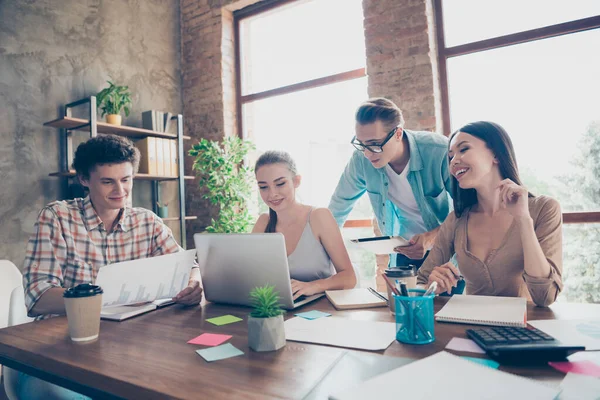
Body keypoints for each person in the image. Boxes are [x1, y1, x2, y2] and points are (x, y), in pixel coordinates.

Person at [20, 134, 203, 399]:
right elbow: (38, 297)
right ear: (84, 180)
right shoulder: (57, 217)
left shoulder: (147, 222)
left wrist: (194, 282)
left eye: (126, 180)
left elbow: (188, 265)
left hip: (128, 346)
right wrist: (106, 298)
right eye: (108, 181)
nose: (120, 191)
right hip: (63, 348)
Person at [417, 121, 563, 307]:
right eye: (451, 156)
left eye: (464, 149)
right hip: (471, 330)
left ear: (495, 154)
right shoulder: (457, 219)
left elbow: (545, 297)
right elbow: (420, 283)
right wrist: (431, 285)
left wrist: (523, 219)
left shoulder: (544, 209)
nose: (454, 161)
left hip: (526, 330)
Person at [329, 98, 453, 268]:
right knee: (399, 295)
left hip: (447, 249)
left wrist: (430, 238)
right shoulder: (361, 160)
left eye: (374, 144)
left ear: (398, 133)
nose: (367, 153)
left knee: (444, 296)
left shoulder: (438, 151)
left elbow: (469, 211)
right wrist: (322, 250)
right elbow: (339, 205)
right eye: (361, 144)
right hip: (404, 250)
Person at [252, 151, 357, 299]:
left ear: (296, 181)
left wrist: (312, 286)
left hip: (319, 311)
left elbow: (349, 277)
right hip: (276, 308)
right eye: (263, 187)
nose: (272, 194)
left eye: (280, 184)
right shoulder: (263, 223)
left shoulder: (319, 217)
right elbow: (250, 275)